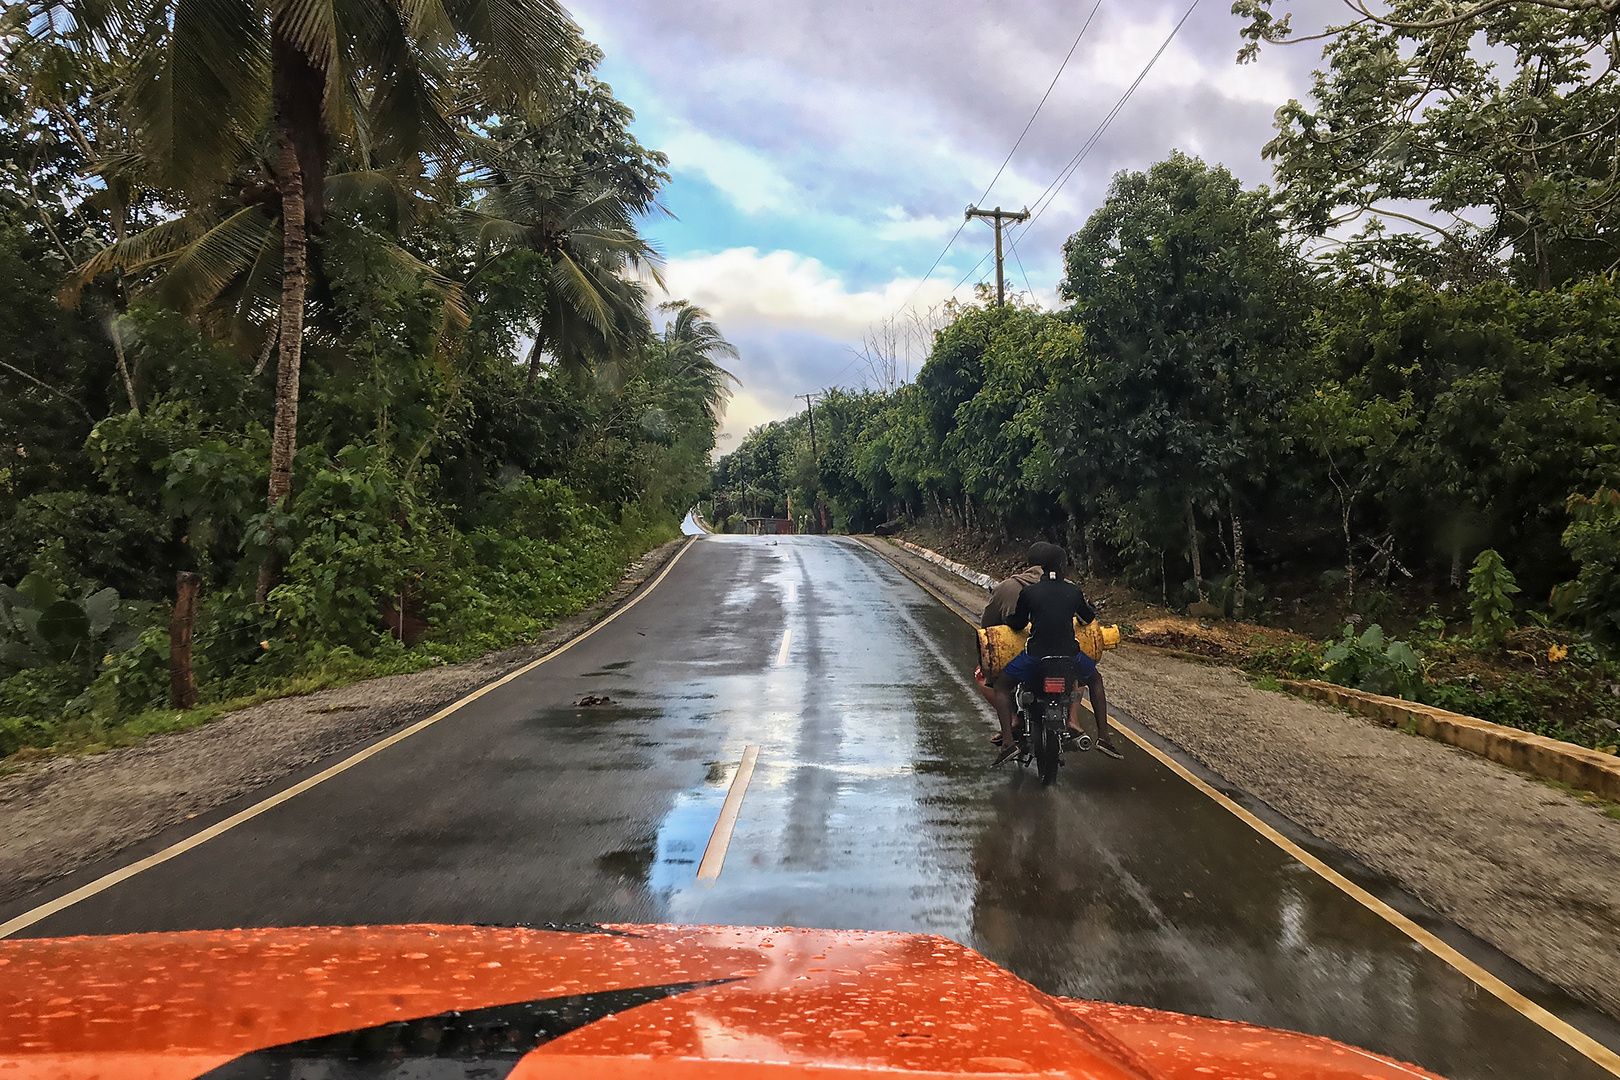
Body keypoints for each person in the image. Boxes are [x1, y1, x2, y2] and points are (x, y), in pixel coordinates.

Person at [992, 545, 1122, 764]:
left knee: (1002, 686)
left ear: (1041, 568)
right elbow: (1088, 618)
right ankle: (1104, 737)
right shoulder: (1073, 591)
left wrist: (1009, 622)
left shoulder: (1029, 593)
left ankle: (1007, 743)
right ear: (1063, 566)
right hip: (1070, 657)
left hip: (1036, 658)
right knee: (1096, 680)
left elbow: (1018, 623)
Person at [974, 548, 1049, 710]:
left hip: (1019, 655)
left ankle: (1011, 722)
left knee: (985, 677)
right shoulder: (1067, 587)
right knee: (1079, 679)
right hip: (1059, 655)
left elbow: (988, 627)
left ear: (1028, 564)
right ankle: (1073, 720)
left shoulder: (1007, 587)